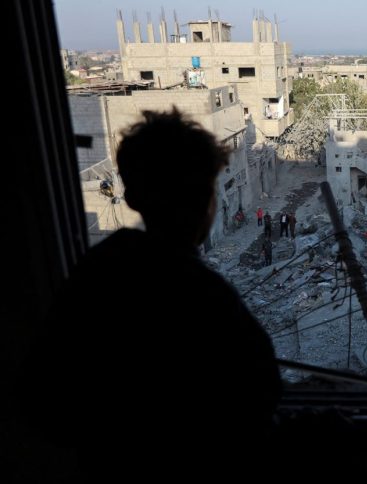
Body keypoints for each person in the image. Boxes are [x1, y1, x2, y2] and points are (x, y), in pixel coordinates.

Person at [17, 109, 282, 477]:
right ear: (208, 199)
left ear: (131, 196)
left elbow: (42, 396)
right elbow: (262, 392)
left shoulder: (95, 272)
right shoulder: (201, 293)